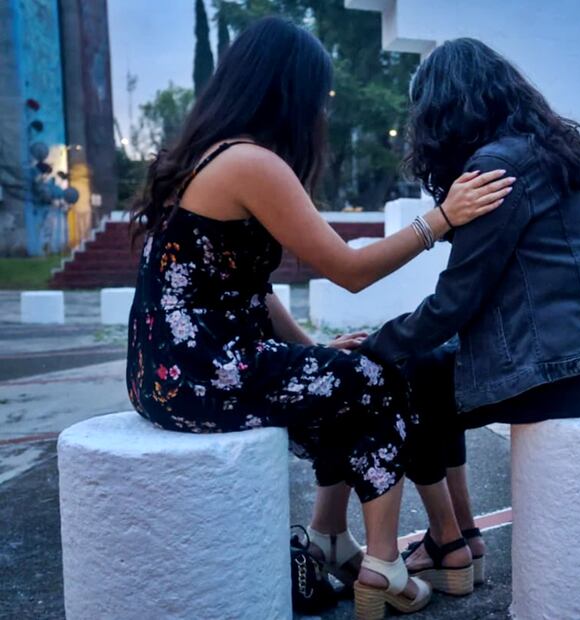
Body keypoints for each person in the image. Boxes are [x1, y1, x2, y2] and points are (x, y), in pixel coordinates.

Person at [124, 19, 511, 620]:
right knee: (384, 382)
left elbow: (252, 289)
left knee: (346, 376)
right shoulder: (250, 162)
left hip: (172, 372)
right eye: (319, 96)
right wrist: (442, 217)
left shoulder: (208, 156)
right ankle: (384, 563)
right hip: (203, 374)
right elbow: (348, 270)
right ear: (288, 90)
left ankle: (333, 537)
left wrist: (317, 351)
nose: (321, 109)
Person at [358, 38, 580, 595]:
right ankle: (459, 540)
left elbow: (456, 300)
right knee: (440, 373)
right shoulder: (555, 151)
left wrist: (374, 346)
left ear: (446, 108)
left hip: (561, 374)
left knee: (407, 375)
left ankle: (450, 541)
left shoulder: (497, 169)